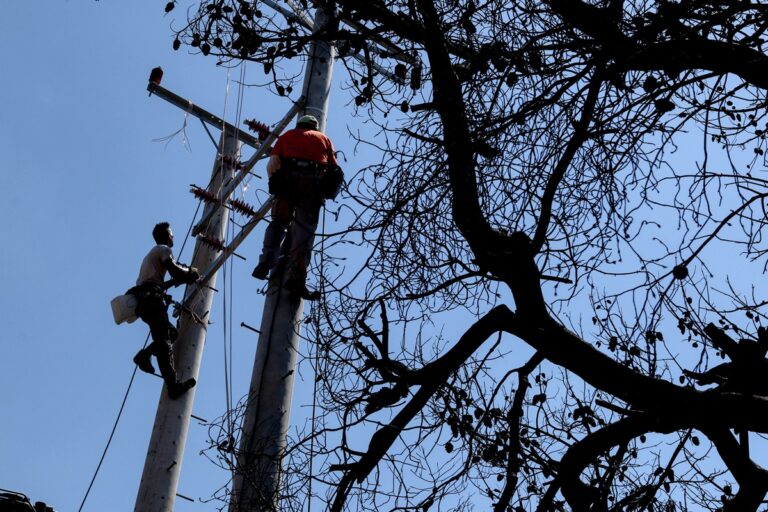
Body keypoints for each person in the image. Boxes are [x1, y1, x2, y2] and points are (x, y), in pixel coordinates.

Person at [251, 114, 341, 300]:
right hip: (311, 187)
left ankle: (266, 262)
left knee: (278, 223)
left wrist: (276, 185)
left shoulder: (286, 136)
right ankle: (296, 279)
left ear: (299, 124)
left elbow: (273, 164)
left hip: (287, 183)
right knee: (304, 232)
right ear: (315, 127)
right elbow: (335, 170)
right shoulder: (324, 139)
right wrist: (328, 191)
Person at [128, 222, 199, 399]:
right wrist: (189, 272)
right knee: (164, 342)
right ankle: (173, 386)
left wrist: (183, 277)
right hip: (152, 301)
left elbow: (162, 282)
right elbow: (175, 271)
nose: (173, 237)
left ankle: (145, 355)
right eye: (171, 234)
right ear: (167, 236)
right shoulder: (163, 250)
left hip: (144, 301)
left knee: (171, 334)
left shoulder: (151, 255)